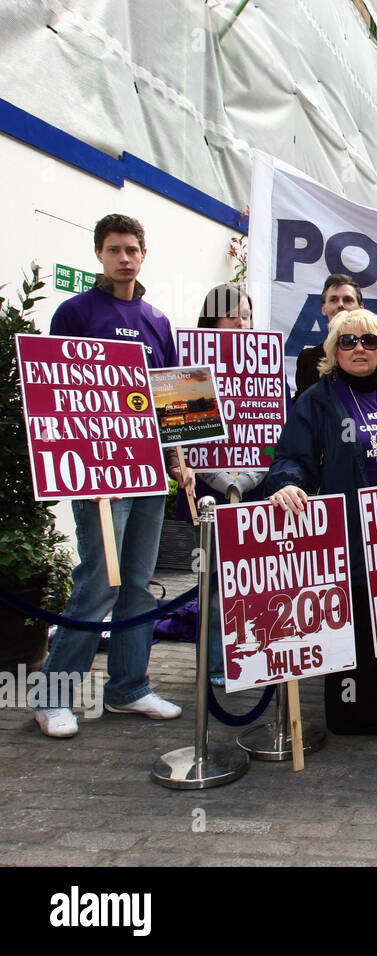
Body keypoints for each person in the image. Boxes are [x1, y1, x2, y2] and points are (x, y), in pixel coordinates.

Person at [32, 213, 185, 738]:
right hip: (98, 477)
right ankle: (52, 697)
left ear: (143, 254)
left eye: (132, 249)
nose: (124, 258)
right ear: (99, 253)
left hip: (150, 472)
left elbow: (170, 397)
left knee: (138, 585)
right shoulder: (75, 312)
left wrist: (178, 460)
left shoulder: (157, 321)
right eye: (115, 249)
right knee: (99, 583)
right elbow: (55, 392)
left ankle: (129, 688)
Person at [264, 309, 377, 737]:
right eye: (348, 341)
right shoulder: (317, 399)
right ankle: (356, 715)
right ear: (334, 350)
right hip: (348, 530)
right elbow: (292, 455)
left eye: (369, 340)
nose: (359, 348)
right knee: (356, 623)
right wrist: (288, 483)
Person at [185, 283, 263, 685]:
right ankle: (217, 664)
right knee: (214, 582)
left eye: (246, 315)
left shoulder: (266, 369)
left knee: (253, 579)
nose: (240, 322)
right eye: (231, 314)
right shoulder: (191, 370)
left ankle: (253, 657)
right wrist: (223, 482)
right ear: (211, 319)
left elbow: (272, 437)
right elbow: (188, 441)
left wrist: (245, 480)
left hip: (255, 490)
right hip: (208, 494)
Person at [294, 274, 377, 396]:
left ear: (361, 307)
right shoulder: (308, 359)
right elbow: (300, 403)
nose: (340, 305)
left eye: (348, 300)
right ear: (324, 308)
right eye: (333, 300)